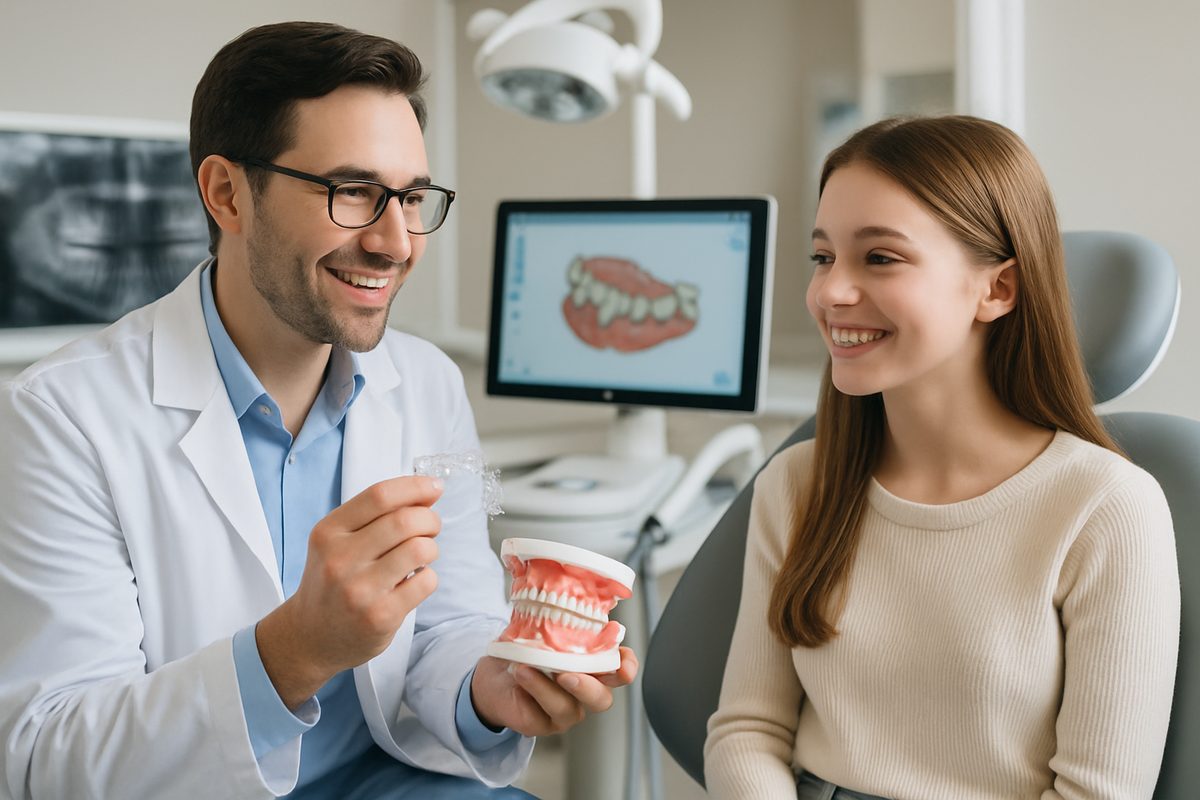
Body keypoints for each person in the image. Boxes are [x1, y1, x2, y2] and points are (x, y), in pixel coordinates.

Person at [0, 21, 636, 800]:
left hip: (395, 780)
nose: (397, 242)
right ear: (227, 193)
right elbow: (45, 760)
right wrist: (292, 651)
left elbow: (455, 618)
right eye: (355, 192)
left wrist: (489, 685)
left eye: (410, 197)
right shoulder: (56, 419)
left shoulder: (428, 384)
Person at [704, 116, 1180, 799]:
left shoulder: (1106, 509)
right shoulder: (797, 484)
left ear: (999, 289)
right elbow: (746, 731)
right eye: (823, 257)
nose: (831, 292)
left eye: (880, 257)